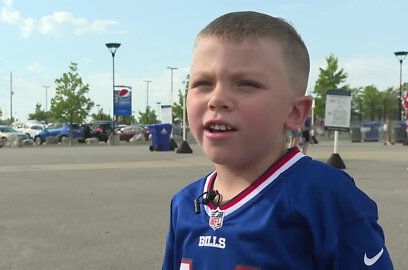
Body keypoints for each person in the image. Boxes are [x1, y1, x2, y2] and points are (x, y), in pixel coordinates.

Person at [162, 11, 393, 269]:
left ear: (295, 112)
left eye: (246, 83)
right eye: (203, 83)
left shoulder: (325, 197)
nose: (216, 99)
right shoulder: (184, 204)